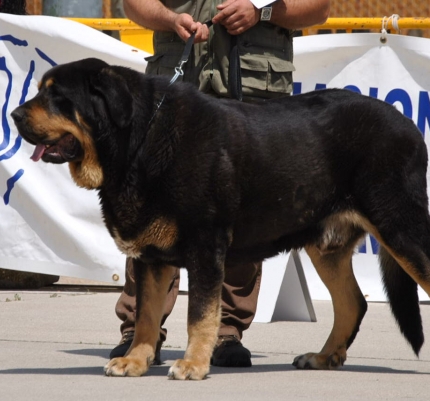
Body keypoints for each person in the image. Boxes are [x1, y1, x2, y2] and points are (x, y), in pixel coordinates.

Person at [111, 0, 331, 368]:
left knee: (245, 210)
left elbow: (319, 8)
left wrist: (262, 13)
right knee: (152, 210)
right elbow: (133, 3)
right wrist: (170, 19)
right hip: (179, 82)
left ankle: (225, 331)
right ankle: (140, 329)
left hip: (253, 86)